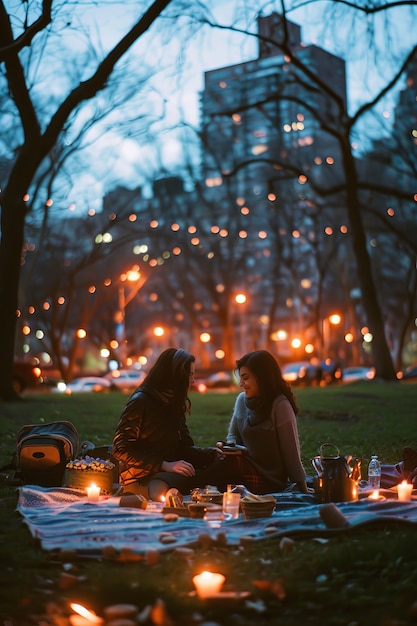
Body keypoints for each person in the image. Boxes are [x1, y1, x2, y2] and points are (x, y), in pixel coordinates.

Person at [112, 348, 220, 500]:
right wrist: (163, 465)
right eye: (189, 375)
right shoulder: (141, 402)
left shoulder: (172, 403)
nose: (193, 380)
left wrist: (212, 454)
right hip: (142, 477)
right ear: (175, 376)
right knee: (163, 487)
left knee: (219, 469)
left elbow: (183, 449)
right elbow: (120, 449)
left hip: (170, 472)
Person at [217, 350, 309, 494]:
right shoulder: (242, 401)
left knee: (229, 466)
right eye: (240, 379)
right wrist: (229, 447)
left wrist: (303, 488)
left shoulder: (280, 405)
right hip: (243, 467)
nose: (241, 384)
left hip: (269, 479)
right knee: (216, 459)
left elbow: (291, 452)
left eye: (245, 378)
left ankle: (189, 484)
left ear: (262, 377)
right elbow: (233, 436)